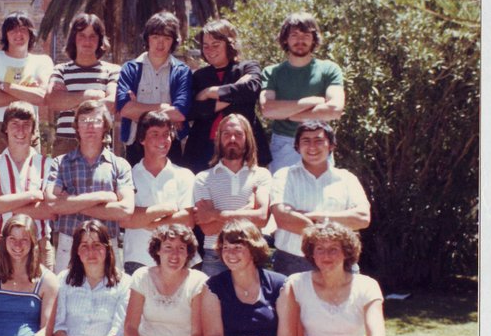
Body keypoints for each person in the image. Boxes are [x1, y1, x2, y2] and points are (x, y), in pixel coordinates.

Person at [270, 120, 371, 275]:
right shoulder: (283, 176)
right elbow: (284, 218)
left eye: (319, 141)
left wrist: (315, 216)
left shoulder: (347, 179)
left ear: (331, 146)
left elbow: (362, 219)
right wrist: (339, 223)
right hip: (293, 263)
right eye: (306, 141)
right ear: (297, 146)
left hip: (340, 262)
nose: (312, 147)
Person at [47, 101, 134, 273]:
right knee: (66, 290)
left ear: (105, 126)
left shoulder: (119, 165)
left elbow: (125, 210)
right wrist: (102, 197)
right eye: (84, 120)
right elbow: (52, 204)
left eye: (96, 120)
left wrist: (71, 205)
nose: (90, 126)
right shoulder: (61, 163)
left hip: (106, 243)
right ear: (77, 127)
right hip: (69, 244)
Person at [260, 12, 345, 172]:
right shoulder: (272, 72)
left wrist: (291, 115)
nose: (300, 40)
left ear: (314, 39)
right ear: (285, 39)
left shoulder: (329, 69)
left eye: (306, 35)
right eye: (294, 35)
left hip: (318, 142)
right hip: (283, 145)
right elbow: (268, 109)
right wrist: (312, 101)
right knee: (281, 188)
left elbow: (335, 110)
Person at [185, 19, 271, 173]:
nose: (210, 50)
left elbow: (251, 89)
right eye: (205, 46)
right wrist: (236, 92)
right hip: (204, 149)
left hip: (243, 146)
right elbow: (191, 110)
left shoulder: (248, 67)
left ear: (230, 44)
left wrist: (209, 92)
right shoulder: (198, 76)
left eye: (216, 45)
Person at [192, 113, 271, 277]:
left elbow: (262, 218)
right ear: (218, 139)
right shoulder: (203, 178)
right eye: (226, 134)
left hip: (251, 252)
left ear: (247, 138)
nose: (232, 139)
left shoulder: (261, 175)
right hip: (215, 254)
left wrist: (215, 214)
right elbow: (208, 229)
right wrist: (247, 211)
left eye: (238, 134)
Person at [0, 102, 57, 266]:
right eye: (15, 124)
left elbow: (50, 211)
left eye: (26, 124)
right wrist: (32, 196)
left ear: (33, 130)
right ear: (5, 128)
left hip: (39, 246)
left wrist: (3, 205)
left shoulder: (47, 164)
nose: (20, 130)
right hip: (1, 246)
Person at [121, 111, 195, 275]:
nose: (162, 140)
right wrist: (166, 209)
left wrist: (149, 223)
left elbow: (188, 220)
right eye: (155, 134)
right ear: (142, 139)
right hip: (137, 260)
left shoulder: (185, 175)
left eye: (166, 134)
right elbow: (126, 219)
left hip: (178, 262)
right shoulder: (127, 176)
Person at [115, 11, 191, 166]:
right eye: (155, 37)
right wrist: (164, 107)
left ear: (173, 41)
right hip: (136, 144)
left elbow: (179, 113)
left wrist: (138, 111)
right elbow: (125, 109)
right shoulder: (130, 69)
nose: (160, 44)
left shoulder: (182, 71)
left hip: (169, 144)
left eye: (167, 38)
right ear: (147, 38)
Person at [46, 13, 120, 157]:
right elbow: (53, 100)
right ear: (74, 38)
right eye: (82, 35)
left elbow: (112, 103)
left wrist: (72, 103)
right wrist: (91, 95)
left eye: (92, 36)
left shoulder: (113, 70)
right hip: (66, 142)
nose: (87, 41)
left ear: (100, 40)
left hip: (99, 140)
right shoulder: (61, 70)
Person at [0, 12, 54, 155]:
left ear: (30, 33)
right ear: (5, 34)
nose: (18, 34)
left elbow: (42, 97)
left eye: (23, 29)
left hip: (28, 127)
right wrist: (26, 92)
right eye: (12, 30)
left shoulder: (42, 61)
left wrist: (7, 87)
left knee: (30, 169)